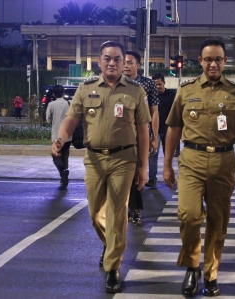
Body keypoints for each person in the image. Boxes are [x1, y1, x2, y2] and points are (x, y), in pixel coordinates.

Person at [51, 41, 151, 293]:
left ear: (124, 62)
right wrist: (60, 139)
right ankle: (110, 246)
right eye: (108, 58)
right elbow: (70, 120)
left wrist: (144, 166)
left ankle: (113, 268)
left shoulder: (135, 91)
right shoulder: (85, 89)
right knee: (96, 213)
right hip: (94, 159)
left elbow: (143, 131)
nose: (113, 63)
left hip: (124, 159)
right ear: (99, 61)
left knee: (118, 212)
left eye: (118, 59)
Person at [163, 38, 235, 297]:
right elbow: (173, 129)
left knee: (218, 220)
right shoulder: (186, 90)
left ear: (225, 61)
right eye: (208, 59)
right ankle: (192, 264)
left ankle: (210, 273)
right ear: (200, 61)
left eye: (218, 59)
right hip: (191, 159)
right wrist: (167, 164)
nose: (213, 63)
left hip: (224, 162)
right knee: (189, 215)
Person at [124, 50, 159, 224]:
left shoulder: (147, 84)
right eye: (124, 62)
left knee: (137, 173)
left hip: (141, 137)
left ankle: (135, 209)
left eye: (130, 62)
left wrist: (154, 137)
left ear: (138, 64)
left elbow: (154, 111)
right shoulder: (116, 83)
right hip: (122, 138)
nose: (125, 65)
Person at [46, 85, 71, 188]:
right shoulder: (69, 103)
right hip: (68, 134)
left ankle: (62, 172)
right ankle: (64, 175)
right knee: (65, 156)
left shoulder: (51, 104)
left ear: (53, 94)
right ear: (63, 93)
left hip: (56, 134)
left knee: (55, 155)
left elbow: (48, 119)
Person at [152, 72, 178, 162]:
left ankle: (168, 173)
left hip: (168, 130)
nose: (158, 86)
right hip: (156, 130)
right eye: (155, 85)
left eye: (159, 84)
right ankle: (152, 177)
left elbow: (175, 113)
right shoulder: (151, 96)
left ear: (164, 83)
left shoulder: (172, 95)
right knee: (153, 155)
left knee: (168, 155)